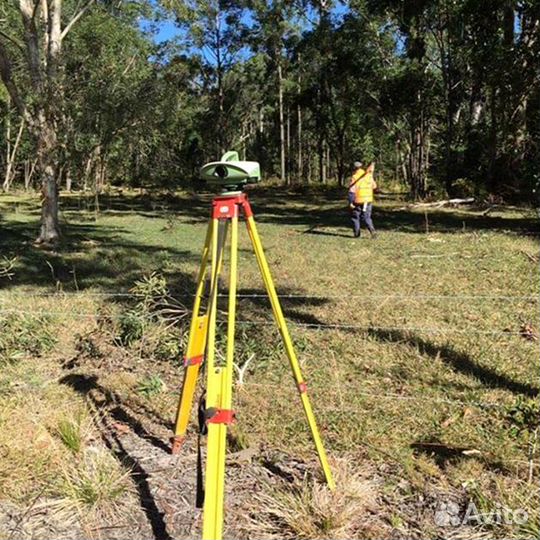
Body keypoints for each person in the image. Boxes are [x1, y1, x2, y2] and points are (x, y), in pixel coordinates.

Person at [348, 161, 377, 238]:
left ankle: (357, 233)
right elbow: (374, 186)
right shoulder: (368, 175)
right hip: (368, 200)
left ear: (354, 168)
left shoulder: (354, 177)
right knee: (367, 217)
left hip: (357, 201)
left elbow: (352, 191)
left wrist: (351, 202)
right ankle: (372, 231)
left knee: (355, 217)